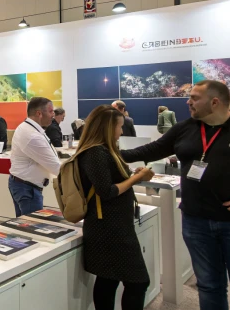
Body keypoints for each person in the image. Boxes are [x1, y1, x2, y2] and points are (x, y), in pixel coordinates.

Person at [122, 80, 230, 310]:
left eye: (194, 98)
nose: (188, 102)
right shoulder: (187, 128)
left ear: (215, 102)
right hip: (197, 222)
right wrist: (106, 150)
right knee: (209, 287)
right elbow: (150, 150)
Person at [77, 105, 155, 310]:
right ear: (107, 128)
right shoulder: (96, 152)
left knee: (108, 279)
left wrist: (131, 175)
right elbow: (107, 191)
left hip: (113, 224)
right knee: (137, 282)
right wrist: (137, 177)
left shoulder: (103, 151)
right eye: (119, 127)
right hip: (108, 228)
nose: (121, 132)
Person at [8, 97, 62, 216]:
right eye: (50, 111)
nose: (53, 114)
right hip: (27, 189)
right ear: (39, 113)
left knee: (24, 225)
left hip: (23, 185)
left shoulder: (28, 128)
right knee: (31, 227)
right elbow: (55, 166)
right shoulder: (32, 135)